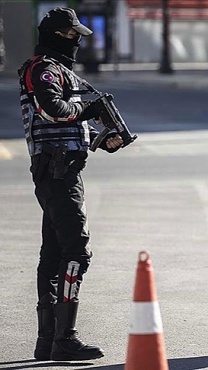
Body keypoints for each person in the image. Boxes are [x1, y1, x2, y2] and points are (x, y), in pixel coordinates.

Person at [18, 7, 123, 361]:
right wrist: (91, 113)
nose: (78, 42)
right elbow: (50, 110)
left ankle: (48, 341)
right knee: (77, 249)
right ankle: (66, 337)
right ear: (59, 35)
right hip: (57, 169)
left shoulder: (59, 70)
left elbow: (67, 123)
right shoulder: (44, 69)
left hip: (63, 167)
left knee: (53, 253)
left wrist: (98, 138)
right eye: (74, 35)